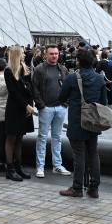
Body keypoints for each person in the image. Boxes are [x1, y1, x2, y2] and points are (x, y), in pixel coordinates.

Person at [57, 47, 107, 198]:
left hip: (77, 122)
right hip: (93, 121)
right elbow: (104, 102)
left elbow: (61, 97)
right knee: (93, 153)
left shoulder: (72, 78)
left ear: (78, 61)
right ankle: (94, 188)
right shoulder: (99, 79)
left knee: (79, 155)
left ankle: (77, 188)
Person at [32, 45, 71, 179]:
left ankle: (57, 165)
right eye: (52, 54)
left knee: (57, 137)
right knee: (42, 137)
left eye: (56, 54)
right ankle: (40, 167)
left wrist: (65, 104)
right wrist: (41, 106)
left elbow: (67, 87)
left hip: (60, 108)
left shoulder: (63, 69)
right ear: (45, 55)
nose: (54, 56)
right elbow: (35, 89)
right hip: (46, 108)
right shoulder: (39, 70)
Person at [3, 45, 36, 181]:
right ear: (16, 55)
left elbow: (29, 88)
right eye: (22, 53)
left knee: (20, 139)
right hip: (15, 109)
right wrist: (26, 105)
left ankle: (18, 167)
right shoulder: (8, 71)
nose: (24, 54)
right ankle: (10, 169)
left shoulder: (25, 68)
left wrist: (31, 104)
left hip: (25, 108)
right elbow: (14, 93)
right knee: (11, 138)